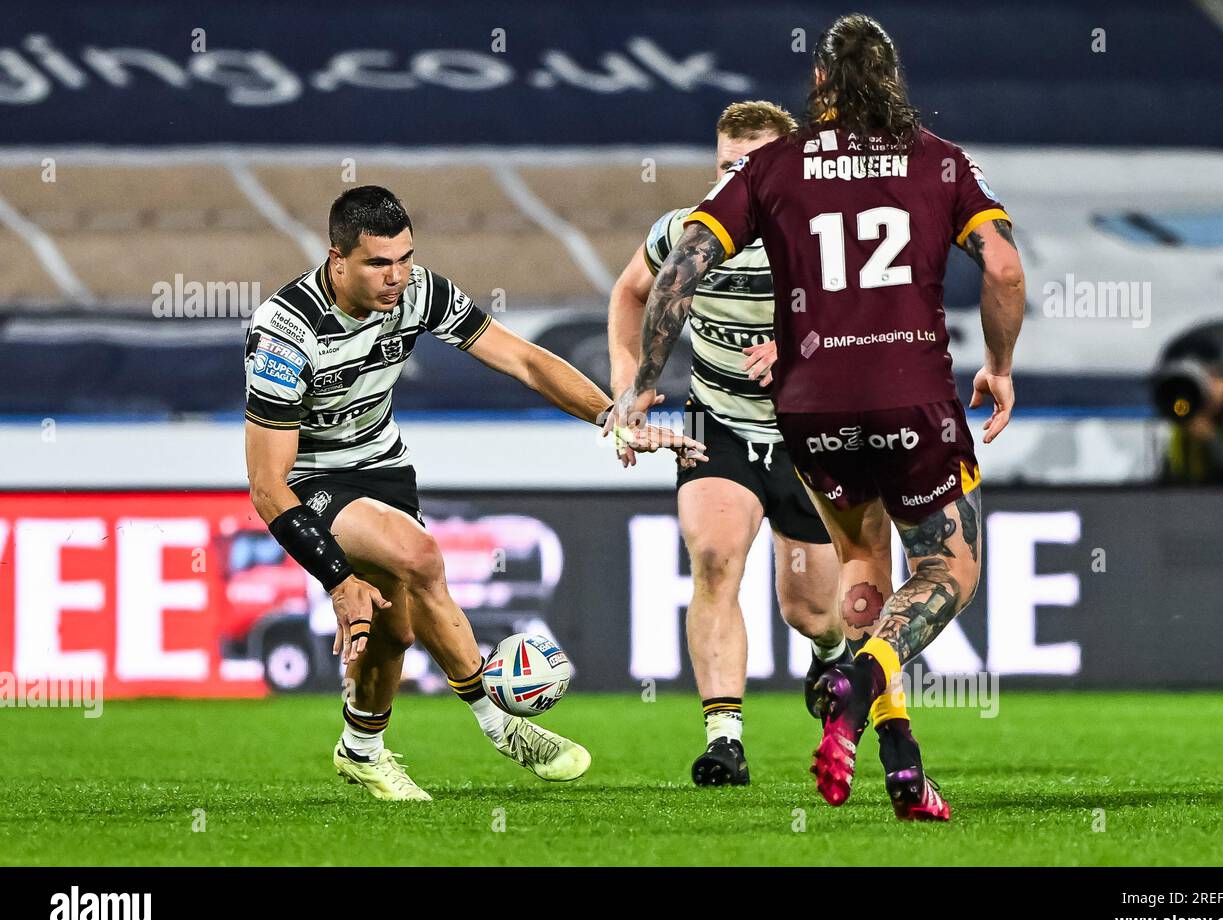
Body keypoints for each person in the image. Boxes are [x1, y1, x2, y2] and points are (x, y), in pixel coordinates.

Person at [607, 14, 1026, 820]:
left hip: (811, 410)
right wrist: (1001, 366)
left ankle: (900, 756)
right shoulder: (941, 161)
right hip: (911, 399)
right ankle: (854, 682)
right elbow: (1003, 267)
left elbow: (676, 272)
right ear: (894, 79)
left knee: (859, 571)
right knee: (947, 570)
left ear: (821, 86)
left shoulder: (775, 169)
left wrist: (640, 385)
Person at [245, 185, 702, 800]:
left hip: (384, 466)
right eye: (379, 263)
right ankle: (498, 721)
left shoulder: (420, 293)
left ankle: (360, 750)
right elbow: (267, 485)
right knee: (419, 556)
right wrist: (336, 580)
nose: (396, 276)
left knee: (395, 629)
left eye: (404, 258)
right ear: (337, 259)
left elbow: (523, 361)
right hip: (313, 477)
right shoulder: (284, 332)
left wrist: (613, 416)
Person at [609, 100, 893, 786]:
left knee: (810, 611)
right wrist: (628, 388)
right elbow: (630, 294)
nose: (735, 178)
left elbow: (885, 328)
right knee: (712, 558)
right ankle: (724, 740)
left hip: (813, 437)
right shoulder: (686, 231)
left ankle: (828, 656)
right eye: (726, 165)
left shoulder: (832, 239)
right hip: (718, 424)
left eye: (753, 165)